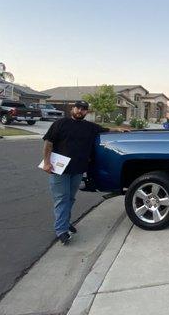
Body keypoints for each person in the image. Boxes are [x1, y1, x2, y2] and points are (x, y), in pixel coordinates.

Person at [42, 100, 125, 245]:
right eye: (78, 108)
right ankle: (61, 230)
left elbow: (105, 129)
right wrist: (47, 163)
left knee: (70, 199)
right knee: (61, 199)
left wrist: (119, 130)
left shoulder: (90, 127)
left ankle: (65, 223)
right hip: (59, 169)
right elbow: (48, 143)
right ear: (73, 109)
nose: (80, 111)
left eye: (84, 109)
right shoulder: (60, 124)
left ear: (87, 112)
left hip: (78, 169)